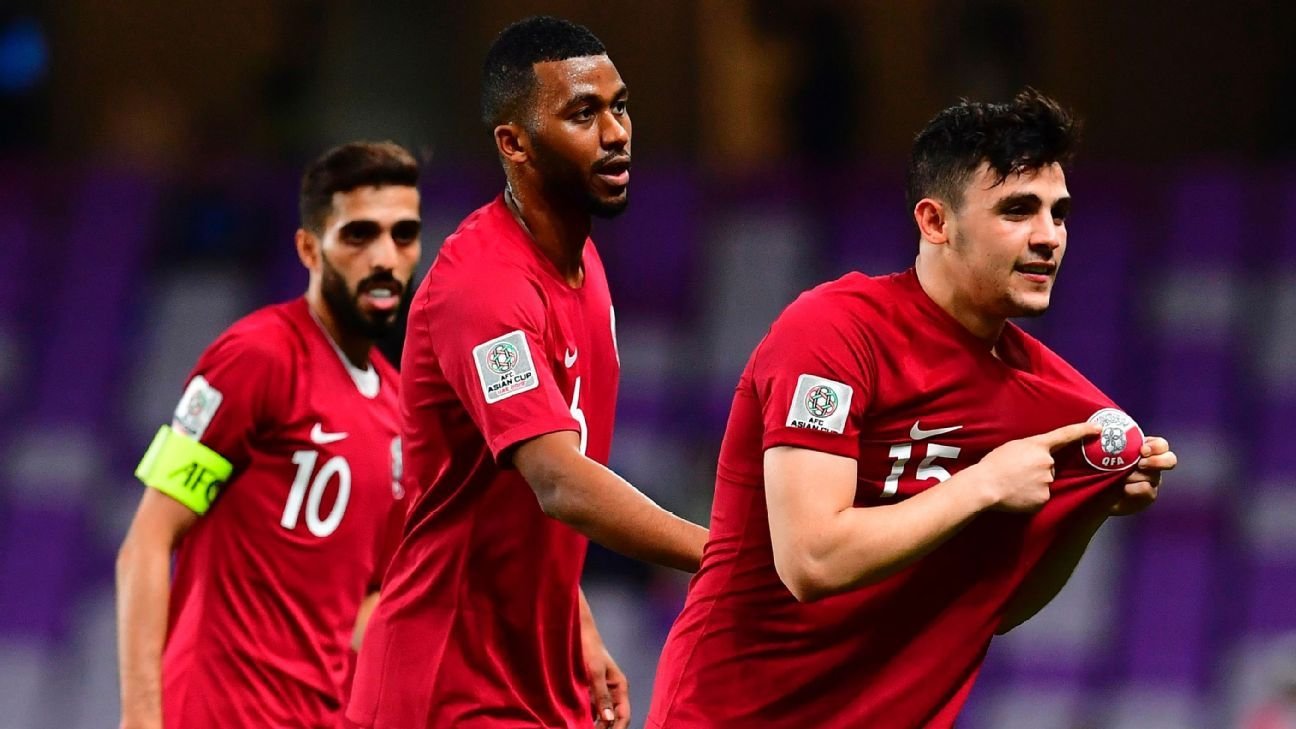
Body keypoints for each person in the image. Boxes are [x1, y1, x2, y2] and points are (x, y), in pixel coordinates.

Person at [648, 89, 1179, 728]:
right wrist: (982, 485)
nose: (1049, 238)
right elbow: (811, 561)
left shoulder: (1059, 406)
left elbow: (990, 605)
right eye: (1018, 210)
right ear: (935, 222)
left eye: (1058, 214)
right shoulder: (833, 335)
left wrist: (1089, 506)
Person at [347, 15, 707, 729]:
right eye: (582, 113)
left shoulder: (581, 266)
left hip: (533, 681)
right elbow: (555, 477)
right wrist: (725, 553)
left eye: (620, 106)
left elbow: (501, 492)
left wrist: (576, 623)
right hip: (446, 688)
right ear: (513, 143)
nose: (616, 133)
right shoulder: (483, 288)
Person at [116, 141, 422, 729]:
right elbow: (148, 543)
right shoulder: (255, 358)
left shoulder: (400, 411)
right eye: (359, 235)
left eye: (402, 235)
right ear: (310, 248)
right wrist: (141, 717)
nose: (385, 256)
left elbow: (363, 605)